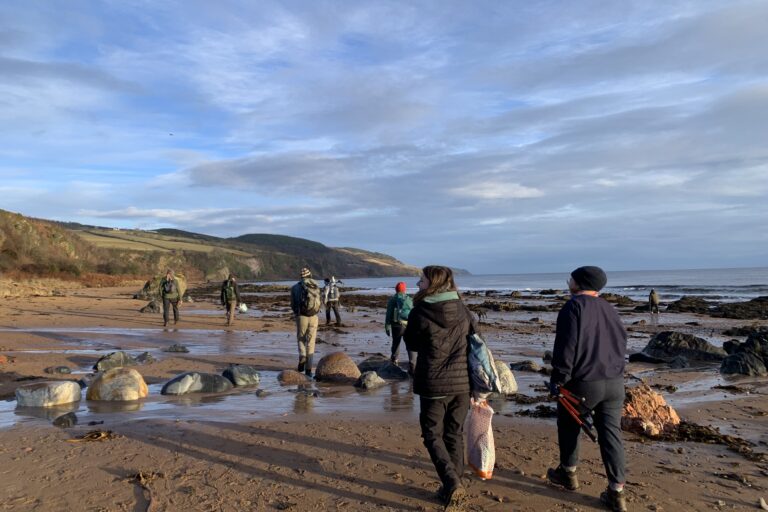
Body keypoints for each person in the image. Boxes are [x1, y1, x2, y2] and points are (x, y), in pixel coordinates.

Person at [547, 266, 628, 512]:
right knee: (611, 435)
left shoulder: (573, 306)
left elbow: (566, 346)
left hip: (583, 382)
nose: (568, 281)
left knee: (569, 427)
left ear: (579, 283)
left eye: (570, 278)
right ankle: (617, 491)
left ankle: (568, 473)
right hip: (614, 381)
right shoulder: (610, 308)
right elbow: (622, 341)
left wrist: (559, 379)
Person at [404, 266, 474, 510]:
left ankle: (452, 483)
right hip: (462, 383)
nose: (417, 283)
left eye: (421, 279)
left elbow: (411, 342)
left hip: (434, 382)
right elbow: (474, 341)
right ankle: (453, 485)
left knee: (432, 434)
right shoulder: (463, 309)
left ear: (431, 283)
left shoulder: (420, 311)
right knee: (454, 433)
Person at [290, 267, 321, 376]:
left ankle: (302, 356)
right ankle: (308, 369)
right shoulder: (316, 286)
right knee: (311, 342)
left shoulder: (294, 288)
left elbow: (292, 304)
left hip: (301, 316)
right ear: (310, 275)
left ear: (301, 276)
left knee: (301, 338)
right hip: (314, 316)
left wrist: (297, 313)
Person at [385, 281, 416, 372]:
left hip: (396, 325)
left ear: (396, 289)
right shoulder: (408, 299)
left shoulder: (392, 299)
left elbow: (388, 314)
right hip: (408, 325)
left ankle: (395, 361)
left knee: (396, 343)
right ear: (404, 289)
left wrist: (387, 326)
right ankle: (413, 365)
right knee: (410, 345)